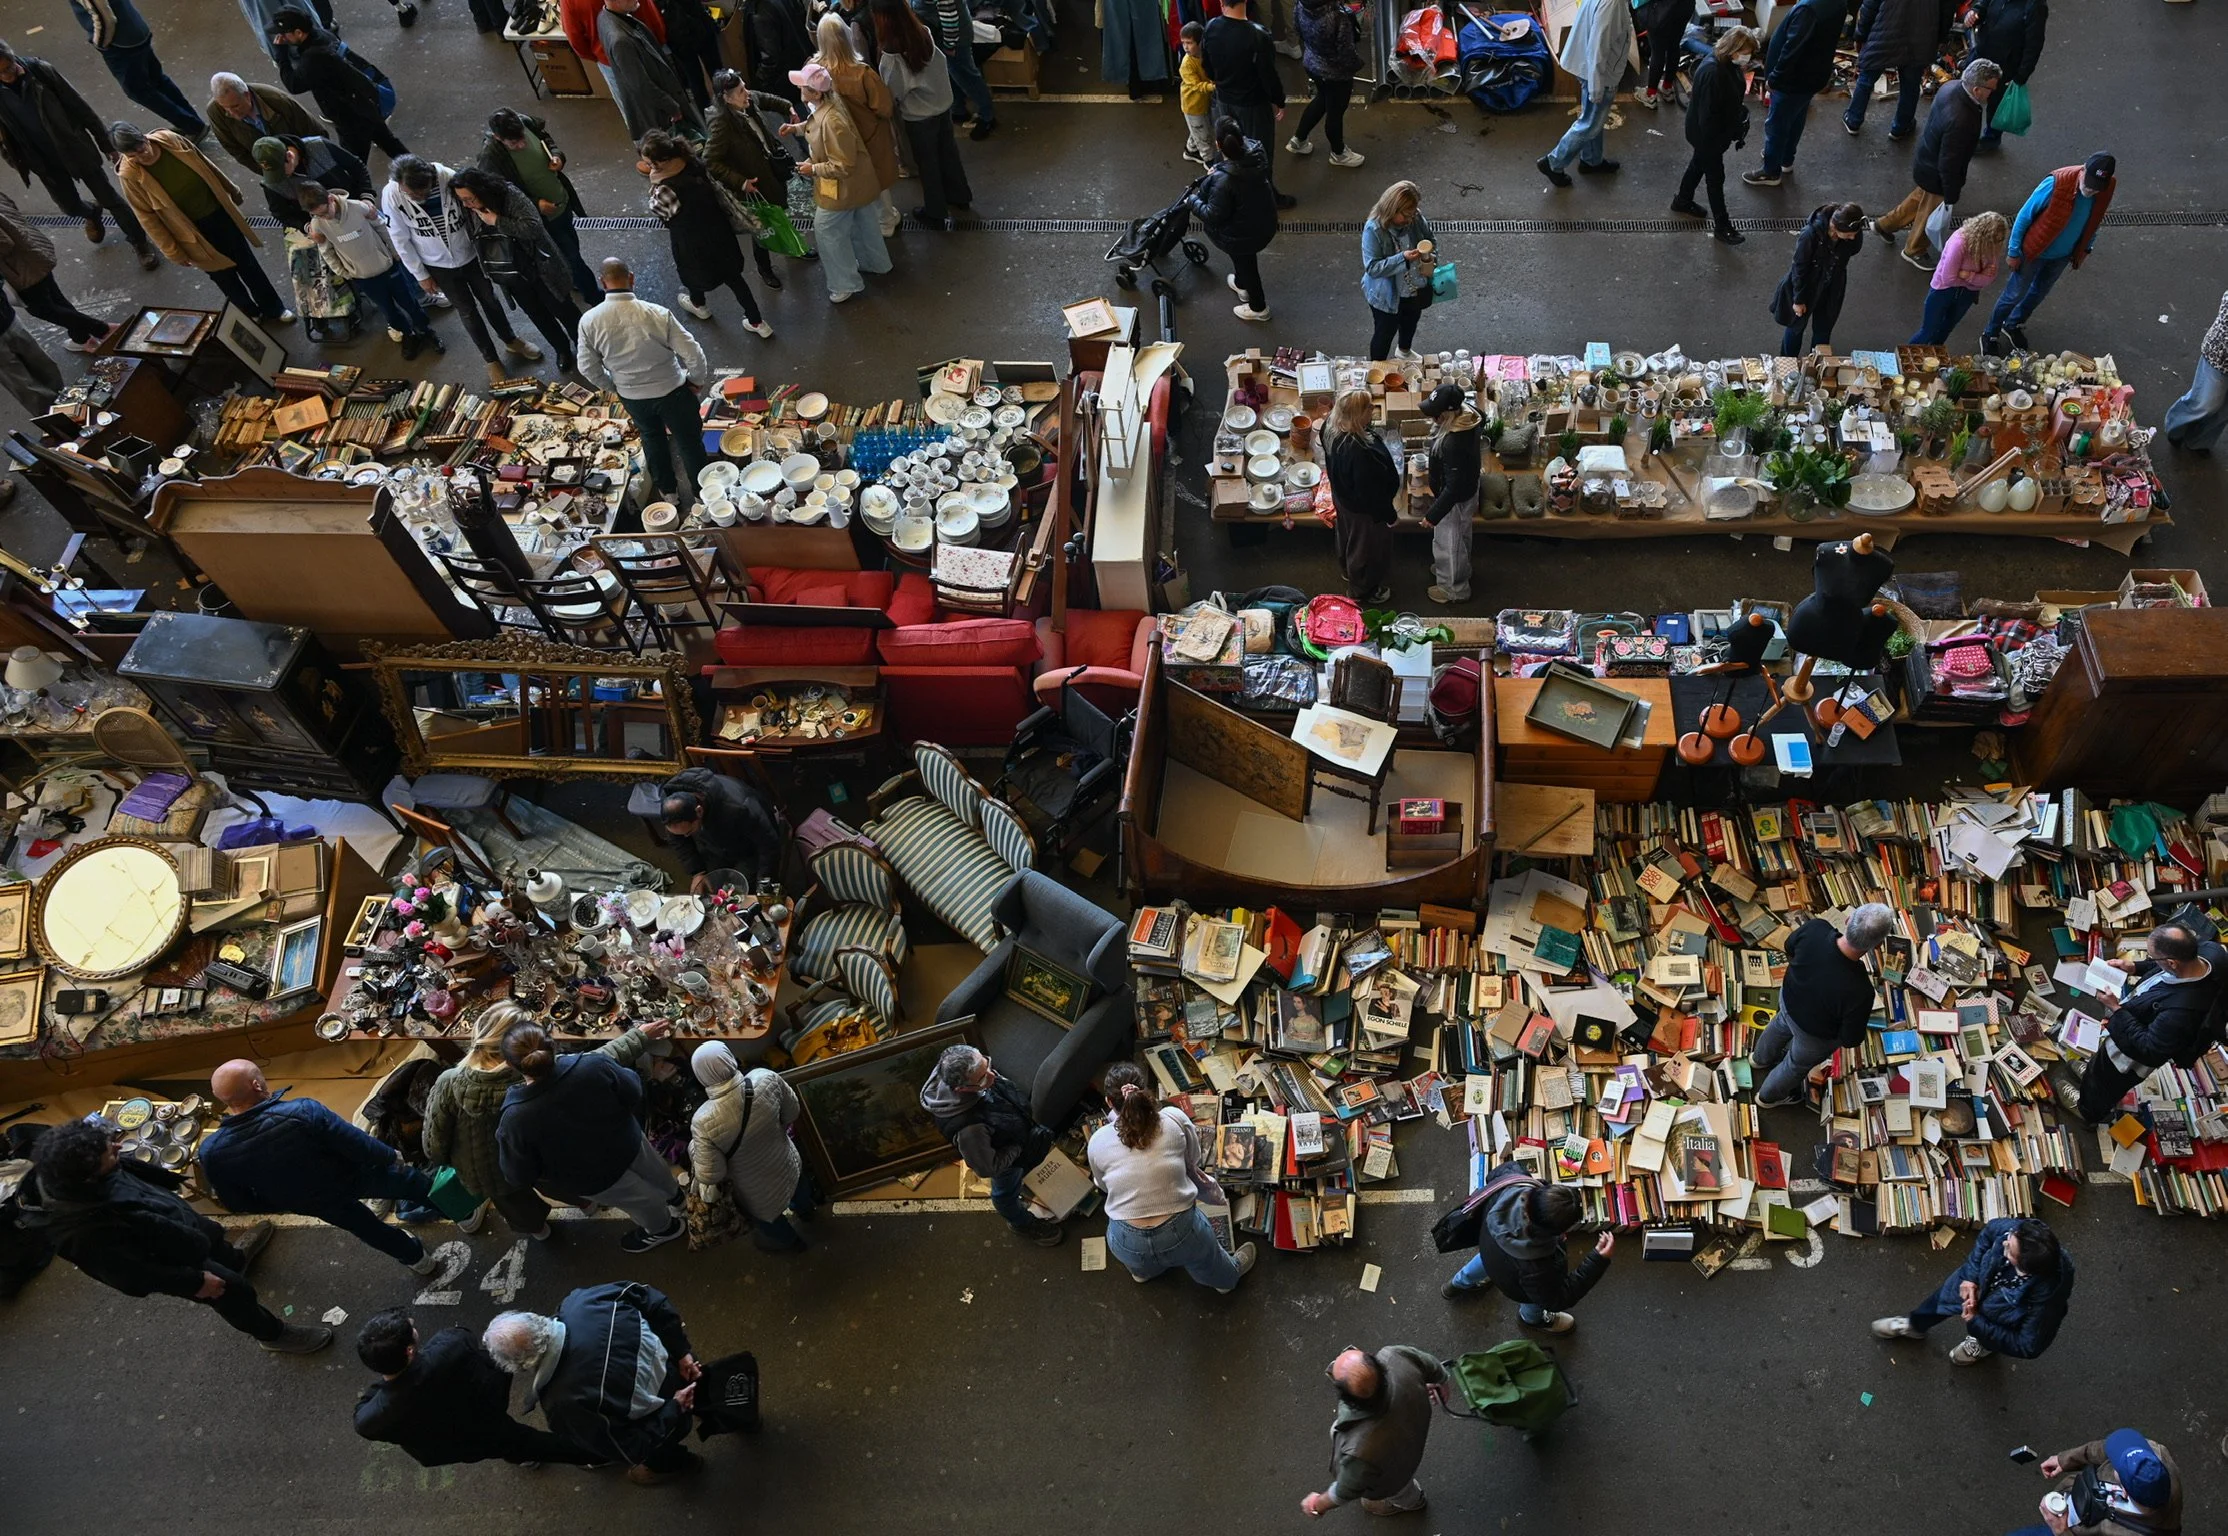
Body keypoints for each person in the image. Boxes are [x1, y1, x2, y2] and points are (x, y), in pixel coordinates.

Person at [31, 1118, 328, 1354]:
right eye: (109, 1152)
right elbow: (132, 1276)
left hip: (182, 1230)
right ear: (87, 1176)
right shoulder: (81, 1233)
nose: (117, 1149)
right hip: (178, 1260)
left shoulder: (80, 1173)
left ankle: (235, 1258)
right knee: (233, 1292)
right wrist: (195, 1282)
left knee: (219, 1246)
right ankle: (272, 1334)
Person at [197, 1058, 440, 1274]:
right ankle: (462, 1212)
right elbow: (356, 1143)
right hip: (355, 1174)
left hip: (311, 1201)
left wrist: (283, 1201)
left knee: (367, 1228)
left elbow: (238, 1202)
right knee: (414, 1184)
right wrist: (390, 1156)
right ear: (257, 1086)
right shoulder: (302, 1111)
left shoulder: (212, 1152)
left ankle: (417, 1259)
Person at [495, 1016, 685, 1254]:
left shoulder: (514, 1119)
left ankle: (664, 1229)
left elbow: (518, 1174)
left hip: (592, 1176)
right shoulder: (593, 1065)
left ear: (510, 1065)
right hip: (628, 1142)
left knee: (641, 1201)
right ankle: (676, 1198)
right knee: (656, 1171)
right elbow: (633, 1090)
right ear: (552, 1043)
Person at [485, 1284, 704, 1484]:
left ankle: (680, 1465)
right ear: (534, 1318)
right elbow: (651, 1300)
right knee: (708, 1391)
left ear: (521, 1366)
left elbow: (628, 1447)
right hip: (683, 1369)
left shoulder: (562, 1404)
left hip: (667, 1418)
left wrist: (675, 1407)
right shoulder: (582, 1301)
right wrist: (682, 1352)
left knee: (661, 1454)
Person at [354, 1307, 599, 1468]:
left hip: (458, 1445)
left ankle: (523, 1459)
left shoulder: (371, 1419)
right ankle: (595, 1454)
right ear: (409, 1350)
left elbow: (370, 1403)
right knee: (539, 1444)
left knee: (514, 1447)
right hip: (488, 1414)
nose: (413, 1324)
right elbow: (466, 1338)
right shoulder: (449, 1345)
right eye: (411, 1329)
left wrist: (390, 1377)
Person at [1087, 1063, 1258, 1290]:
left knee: (1139, 1262)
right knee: (1207, 1259)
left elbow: (1102, 1185)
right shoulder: (1173, 1119)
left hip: (1127, 1239)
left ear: (1109, 1103)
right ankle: (1226, 1280)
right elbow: (1193, 1159)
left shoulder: (1098, 1140)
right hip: (1180, 1231)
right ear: (1145, 1092)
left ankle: (1143, 1273)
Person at [383, 155, 543, 388]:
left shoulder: (448, 177)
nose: (417, 199)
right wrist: (421, 275)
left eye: (422, 193)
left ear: (430, 179)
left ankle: (510, 339)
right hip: (438, 264)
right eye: (411, 195)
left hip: (469, 254)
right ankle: (491, 359)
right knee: (467, 311)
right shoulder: (392, 194)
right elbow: (400, 238)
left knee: (490, 299)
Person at [0, 40, 159, 268]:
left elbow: (79, 106)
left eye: (8, 68)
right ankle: (92, 213)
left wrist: (107, 145)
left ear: (14, 58)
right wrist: (17, 162)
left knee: (110, 199)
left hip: (75, 149)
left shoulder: (40, 72)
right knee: (69, 207)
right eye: (0, 73)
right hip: (44, 162)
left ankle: (140, 242)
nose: (6, 76)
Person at [113, 123, 293, 321]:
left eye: (141, 149)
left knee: (247, 263)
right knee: (222, 276)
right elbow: (146, 217)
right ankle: (249, 314)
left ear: (144, 138)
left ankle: (274, 309)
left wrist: (231, 190)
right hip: (190, 231)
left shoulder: (170, 140)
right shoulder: (130, 176)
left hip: (218, 213)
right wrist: (172, 251)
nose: (141, 157)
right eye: (133, 156)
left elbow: (205, 165)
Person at [577, 258, 711, 506]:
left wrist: (614, 386)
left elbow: (587, 366)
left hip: (633, 398)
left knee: (652, 439)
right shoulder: (657, 314)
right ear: (632, 278)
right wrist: (695, 381)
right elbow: (693, 353)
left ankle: (668, 494)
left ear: (602, 282)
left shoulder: (590, 321)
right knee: (690, 443)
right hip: (673, 392)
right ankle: (701, 495)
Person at [422, 1003, 554, 1240]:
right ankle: (587, 1204)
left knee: (518, 1208)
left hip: (487, 1174)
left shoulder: (448, 1082)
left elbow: (434, 1149)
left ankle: (540, 1231)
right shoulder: (535, 1078)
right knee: (557, 1182)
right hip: (537, 1159)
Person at [2077, 921, 2226, 1124]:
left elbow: (2148, 1047)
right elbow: (2161, 968)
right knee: (2097, 1070)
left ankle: (2089, 1112)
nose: (2152, 961)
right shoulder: (2212, 953)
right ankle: (2091, 1079)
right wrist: (2134, 967)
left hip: (2128, 1055)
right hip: (2138, 1020)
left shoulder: (2179, 1014)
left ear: (2172, 963)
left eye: (2153, 957)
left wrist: (2116, 1009)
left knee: (2104, 1081)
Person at [1872, 1215, 2073, 1363]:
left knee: (1991, 1336)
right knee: (1938, 1302)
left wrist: (1977, 1323)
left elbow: (2027, 1345)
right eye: (2009, 1238)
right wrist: (1970, 1276)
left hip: (2001, 1314)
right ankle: (1914, 1325)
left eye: (2009, 1251)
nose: (2004, 1242)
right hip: (1976, 1281)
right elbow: (1987, 1235)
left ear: (2024, 1268)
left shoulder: (2047, 1301)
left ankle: (1982, 1345)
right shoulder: (2017, 1231)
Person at [632, 130, 773, 339]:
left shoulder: (664, 189)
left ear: (662, 160)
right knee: (734, 278)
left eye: (651, 163)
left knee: (692, 274)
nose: (649, 167)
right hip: (718, 229)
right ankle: (757, 322)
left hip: (691, 240)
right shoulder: (691, 162)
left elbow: (663, 213)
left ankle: (699, 305)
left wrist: (653, 185)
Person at [919, 1044, 1065, 1246]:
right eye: (983, 1078)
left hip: (1011, 1133)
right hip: (1006, 1161)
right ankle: (1021, 1223)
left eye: (987, 1065)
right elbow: (988, 1167)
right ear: (961, 1089)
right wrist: (1019, 1147)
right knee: (1005, 1193)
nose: (993, 1076)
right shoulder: (970, 1129)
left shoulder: (966, 1073)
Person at [450, 167, 587, 375]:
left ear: (482, 190)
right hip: (512, 276)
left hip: (540, 268)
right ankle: (561, 350)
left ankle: (585, 349)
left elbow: (534, 227)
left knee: (563, 309)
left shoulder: (509, 195)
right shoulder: (469, 210)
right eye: (462, 200)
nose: (466, 204)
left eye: (469, 199)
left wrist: (497, 221)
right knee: (539, 316)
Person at [1750, 904, 1892, 1105]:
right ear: (1876, 946)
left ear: (1848, 920)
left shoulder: (1815, 929)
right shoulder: (1861, 991)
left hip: (1789, 999)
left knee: (1780, 1023)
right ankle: (1767, 1097)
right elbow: (1851, 1039)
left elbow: (1789, 946)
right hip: (1813, 1035)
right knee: (1795, 1065)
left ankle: (1759, 1058)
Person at [1441, 1168, 1614, 1331]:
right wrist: (1597, 1261)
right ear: (1556, 1231)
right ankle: (1531, 1321)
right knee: (1534, 1303)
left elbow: (1496, 1173)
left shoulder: (1513, 1181)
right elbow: (1557, 1298)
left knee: (1482, 1263)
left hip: (1489, 1250)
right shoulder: (1539, 1267)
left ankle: (1456, 1284)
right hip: (1514, 1284)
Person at [1981, 152, 2114, 354]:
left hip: (2061, 255)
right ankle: (1990, 333)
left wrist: (2086, 248)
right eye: (2088, 183)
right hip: (2033, 252)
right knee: (2013, 294)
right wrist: (2014, 251)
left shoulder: (2105, 189)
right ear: (2083, 170)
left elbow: (2095, 220)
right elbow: (2024, 216)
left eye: (2096, 187)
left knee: (2038, 293)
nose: (2090, 190)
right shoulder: (2056, 183)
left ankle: (2013, 324)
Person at [689, 1040, 816, 1253]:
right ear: (730, 1058)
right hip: (786, 1161)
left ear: (701, 1076)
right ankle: (807, 1213)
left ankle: (793, 1245)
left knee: (770, 1220)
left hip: (755, 1191)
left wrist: (694, 1149)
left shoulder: (702, 1121)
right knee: (798, 1187)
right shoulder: (765, 1078)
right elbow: (792, 1112)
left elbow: (712, 1174)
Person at [781, 63, 892, 303]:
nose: (799, 89)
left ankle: (845, 284)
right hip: (860, 185)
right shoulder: (831, 106)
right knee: (864, 224)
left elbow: (842, 165)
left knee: (826, 231)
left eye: (802, 86)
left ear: (815, 92)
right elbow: (816, 126)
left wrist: (813, 169)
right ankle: (876, 264)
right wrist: (796, 129)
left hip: (844, 188)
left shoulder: (832, 121)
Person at [1874, 58, 1999, 268]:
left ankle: (1885, 224)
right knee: (1930, 212)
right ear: (1977, 89)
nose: (1992, 93)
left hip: (1927, 160)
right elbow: (1949, 161)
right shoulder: (1962, 119)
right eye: (1991, 89)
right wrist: (1951, 193)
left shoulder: (1950, 87)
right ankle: (1914, 249)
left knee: (1919, 199)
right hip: (1938, 173)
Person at [1298, 1346, 1447, 1518]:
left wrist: (1317, 1504)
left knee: (1401, 1490)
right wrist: (1442, 1380)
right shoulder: (1395, 1356)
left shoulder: (1359, 1452)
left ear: (1348, 1399)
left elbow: (1345, 1490)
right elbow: (1429, 1364)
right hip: (1412, 1437)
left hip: (1393, 1475)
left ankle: (1415, 1503)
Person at [300, 185, 439, 355]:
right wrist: (344, 272)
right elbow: (326, 252)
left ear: (330, 199)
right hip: (363, 277)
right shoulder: (318, 225)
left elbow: (381, 227)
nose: (325, 217)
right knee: (388, 310)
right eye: (319, 215)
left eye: (325, 212)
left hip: (388, 267)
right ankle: (407, 334)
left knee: (409, 301)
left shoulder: (358, 207)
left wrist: (396, 253)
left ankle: (425, 331)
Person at [477, 108, 598, 299]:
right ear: (499, 138)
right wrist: (536, 204)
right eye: (514, 143)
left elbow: (546, 140)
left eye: (522, 137)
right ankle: (594, 297)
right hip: (544, 219)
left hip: (562, 206)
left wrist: (556, 155)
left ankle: (572, 279)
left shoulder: (525, 122)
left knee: (572, 252)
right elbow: (501, 194)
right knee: (573, 258)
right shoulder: (491, 158)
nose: (522, 144)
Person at [875, 1, 971, 230]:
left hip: (919, 116)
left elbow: (893, 92)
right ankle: (960, 196)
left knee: (928, 165)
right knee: (949, 152)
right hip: (942, 105)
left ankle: (936, 213)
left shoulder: (892, 52)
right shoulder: (923, 32)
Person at [268, 9, 406, 164]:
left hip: (350, 117)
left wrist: (281, 55)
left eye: (284, 34)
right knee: (391, 145)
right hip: (364, 104)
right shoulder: (323, 35)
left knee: (353, 167)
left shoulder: (313, 58)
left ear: (299, 33)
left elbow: (294, 85)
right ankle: (425, 174)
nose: (282, 38)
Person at [705, 71, 796, 292]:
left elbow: (764, 98)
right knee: (761, 230)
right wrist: (741, 182)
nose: (747, 93)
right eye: (741, 91)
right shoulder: (721, 124)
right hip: (754, 186)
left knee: (781, 213)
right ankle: (765, 269)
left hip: (770, 173)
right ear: (726, 98)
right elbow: (709, 161)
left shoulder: (746, 100)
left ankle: (795, 247)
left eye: (745, 87)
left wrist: (788, 107)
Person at [812, 14, 901, 238]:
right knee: (877, 179)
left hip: (836, 140)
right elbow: (884, 107)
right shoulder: (862, 73)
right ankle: (887, 221)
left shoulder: (813, 70)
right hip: (870, 136)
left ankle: (861, 225)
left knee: (849, 181)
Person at [65, 0, 204, 139]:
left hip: (120, 43)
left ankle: (192, 127)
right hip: (136, 29)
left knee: (140, 92)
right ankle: (192, 122)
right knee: (157, 80)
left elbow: (105, 17)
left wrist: (100, 43)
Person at [1744, 0, 1847, 185]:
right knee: (1796, 117)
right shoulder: (1837, 3)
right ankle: (1785, 159)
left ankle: (1770, 172)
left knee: (1776, 125)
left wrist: (1774, 79)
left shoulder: (1808, 10)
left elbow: (1792, 50)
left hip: (1791, 81)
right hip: (1812, 76)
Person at [1670, 27, 1756, 245]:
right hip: (1708, 136)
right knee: (1715, 178)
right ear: (1733, 49)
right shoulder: (1713, 73)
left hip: (1712, 134)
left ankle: (1683, 200)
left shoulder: (1726, 64)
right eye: (1746, 52)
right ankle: (1722, 225)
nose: (1748, 57)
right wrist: (1715, 143)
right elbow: (1707, 115)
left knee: (1698, 164)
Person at [1205, 0, 1292, 208]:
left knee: (1227, 149)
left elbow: (1207, 67)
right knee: (1259, 153)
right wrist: (1279, 101)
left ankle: (1228, 192)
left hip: (1223, 101)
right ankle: (1265, 197)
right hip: (1253, 105)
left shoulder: (1211, 27)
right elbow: (1268, 76)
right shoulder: (1258, 35)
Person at [2011, 1430, 2181, 1536]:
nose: (2115, 1459)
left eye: (2118, 1468)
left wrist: (2061, 1531)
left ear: (2125, 1492)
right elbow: (2106, 1448)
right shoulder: (2153, 1454)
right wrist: (2065, 1460)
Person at [0, 190, 112, 351]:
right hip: (32, 249)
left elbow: (4, 243)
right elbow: (10, 205)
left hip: (20, 268)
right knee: (56, 299)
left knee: (42, 309)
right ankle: (81, 338)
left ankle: (103, 330)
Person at [1191, 118, 1277, 323]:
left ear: (1219, 145)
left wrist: (1192, 201)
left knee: (1247, 263)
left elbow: (1213, 214)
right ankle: (1241, 283)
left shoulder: (1223, 180)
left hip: (1241, 233)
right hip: (1263, 220)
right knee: (1243, 260)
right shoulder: (1256, 153)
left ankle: (1258, 307)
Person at [1536, 0, 1630, 187]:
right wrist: (1597, 86)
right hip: (1598, 74)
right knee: (1590, 123)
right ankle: (1553, 162)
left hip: (1588, 66)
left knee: (1594, 119)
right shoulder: (1613, 5)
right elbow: (1598, 47)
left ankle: (1591, 160)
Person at [1326, 387, 1399, 605]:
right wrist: (1389, 515)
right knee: (1366, 550)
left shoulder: (1332, 429)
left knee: (1346, 537)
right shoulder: (1360, 453)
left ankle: (1348, 572)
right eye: (1368, 407)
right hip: (1364, 512)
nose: (1373, 410)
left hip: (1343, 499)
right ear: (1358, 415)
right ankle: (1363, 590)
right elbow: (1372, 494)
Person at [658, 767, 785, 892]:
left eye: (689, 832)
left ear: (699, 811)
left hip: (750, 847)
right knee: (713, 888)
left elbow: (769, 845)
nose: (685, 837)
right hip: (715, 841)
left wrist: (764, 883)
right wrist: (697, 872)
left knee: (742, 890)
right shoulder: (670, 803)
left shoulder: (740, 808)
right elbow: (677, 839)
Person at [600, 0, 704, 140]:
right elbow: (641, 85)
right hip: (661, 116)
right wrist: (671, 107)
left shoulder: (607, 16)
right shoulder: (621, 41)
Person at [1773, 201, 1867, 355]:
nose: (1852, 238)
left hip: (1832, 287)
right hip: (1807, 286)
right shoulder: (1810, 235)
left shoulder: (1852, 231)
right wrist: (1798, 300)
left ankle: (1817, 366)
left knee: (1823, 330)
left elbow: (1854, 248)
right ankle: (1788, 364)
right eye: (1849, 235)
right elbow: (1799, 267)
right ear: (1836, 228)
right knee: (1796, 328)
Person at [1418, 381, 1480, 605]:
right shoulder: (1470, 416)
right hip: (1468, 491)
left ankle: (1454, 588)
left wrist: (1432, 516)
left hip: (1455, 500)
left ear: (1447, 414)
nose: (1432, 419)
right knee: (1461, 536)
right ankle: (1459, 570)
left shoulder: (1453, 443)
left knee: (1449, 544)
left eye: (1436, 415)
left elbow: (1452, 487)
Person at [1843, 0, 1942, 139]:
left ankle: (1853, 119)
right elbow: (1946, 10)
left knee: (1867, 78)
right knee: (1910, 85)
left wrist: (1861, 35)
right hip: (1920, 38)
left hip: (1885, 33)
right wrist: (1939, 39)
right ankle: (1901, 127)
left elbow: (1870, 6)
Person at [1360, 179, 1434, 361]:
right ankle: (1377, 368)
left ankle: (1404, 351)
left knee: (1410, 322)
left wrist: (1432, 258)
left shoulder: (1415, 218)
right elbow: (1372, 267)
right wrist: (1403, 258)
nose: (1410, 220)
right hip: (1386, 295)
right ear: (1392, 209)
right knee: (1384, 332)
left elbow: (1431, 239)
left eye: (1413, 214)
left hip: (1414, 287)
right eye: (1406, 215)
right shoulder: (1374, 229)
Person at [1910, 208, 2005, 344]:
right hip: (1942, 291)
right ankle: (1903, 358)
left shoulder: (1993, 246)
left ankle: (1933, 359)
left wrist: (1967, 275)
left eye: (1999, 240)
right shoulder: (1959, 243)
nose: (1995, 245)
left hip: (1966, 295)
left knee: (1945, 330)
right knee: (1928, 331)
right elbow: (1947, 278)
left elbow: (1989, 279)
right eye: (1993, 241)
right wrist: (1977, 277)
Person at [1288, 0, 1364, 167]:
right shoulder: (1338, 16)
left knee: (1322, 99)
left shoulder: (1301, 5)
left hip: (1312, 64)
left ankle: (1299, 140)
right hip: (1336, 74)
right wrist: (1358, 65)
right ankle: (1338, 153)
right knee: (1335, 113)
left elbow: (1298, 30)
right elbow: (1346, 53)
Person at [205, 73, 322, 174]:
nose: (232, 113)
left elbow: (316, 133)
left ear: (247, 95)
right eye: (225, 108)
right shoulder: (215, 112)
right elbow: (236, 151)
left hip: (307, 159)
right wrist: (269, 171)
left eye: (236, 106)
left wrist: (299, 156)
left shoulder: (278, 101)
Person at [1967, 0, 2047, 149]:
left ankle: (1991, 138)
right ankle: (1965, 131)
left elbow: (2034, 45)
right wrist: (1975, 12)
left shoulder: (2036, 6)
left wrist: (2021, 76)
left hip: (2005, 67)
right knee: (1968, 94)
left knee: (1996, 105)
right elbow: (1984, 4)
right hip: (1981, 54)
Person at [254, 131, 369, 229]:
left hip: (353, 208)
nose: (279, 177)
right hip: (322, 227)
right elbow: (281, 214)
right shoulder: (271, 183)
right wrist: (306, 227)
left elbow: (357, 167)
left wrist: (367, 197)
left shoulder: (319, 146)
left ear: (289, 156)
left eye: (280, 171)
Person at [560, 0, 670, 102]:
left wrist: (598, 56)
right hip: (649, 46)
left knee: (635, 109)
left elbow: (575, 38)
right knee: (668, 96)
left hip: (613, 60)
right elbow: (651, 12)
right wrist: (660, 39)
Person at [914, 0, 994, 137]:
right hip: (941, 34)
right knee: (951, 73)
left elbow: (949, 15)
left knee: (967, 77)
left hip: (954, 37)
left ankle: (987, 116)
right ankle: (958, 110)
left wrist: (950, 44)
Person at [2164, 288, 2228, 456]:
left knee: (2223, 411)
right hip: (2221, 355)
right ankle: (2175, 427)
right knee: (2206, 402)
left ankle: (2200, 441)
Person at [0, 286, 62, 412]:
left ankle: (65, 399)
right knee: (22, 383)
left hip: (7, 318)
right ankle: (53, 419)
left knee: (42, 363)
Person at [660, 0, 728, 109]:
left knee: (696, 81)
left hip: (677, 36)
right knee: (717, 72)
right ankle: (730, 108)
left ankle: (709, 117)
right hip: (699, 27)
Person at [748, 0, 815, 107]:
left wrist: (759, 85)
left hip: (786, 84)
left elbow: (771, 57)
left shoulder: (762, 9)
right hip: (804, 68)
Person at [1633, 0, 1689, 110]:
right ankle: (1667, 88)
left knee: (1657, 51)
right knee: (1674, 45)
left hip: (1662, 10)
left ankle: (1650, 94)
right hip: (1685, 7)